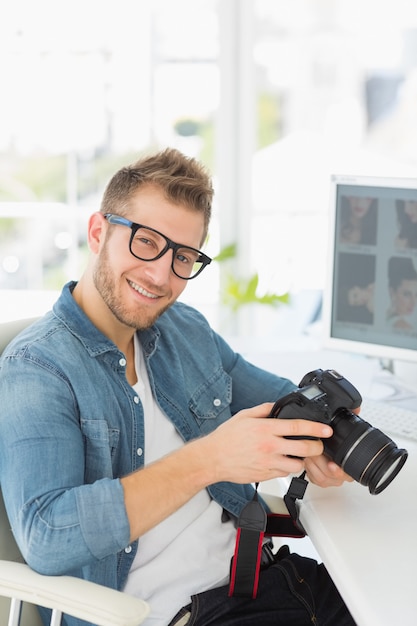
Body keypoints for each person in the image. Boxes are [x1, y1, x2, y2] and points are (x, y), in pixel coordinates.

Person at [0, 148, 356, 626]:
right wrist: (208, 460)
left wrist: (330, 442)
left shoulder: (183, 330)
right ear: (98, 232)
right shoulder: (37, 367)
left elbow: (282, 403)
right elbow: (46, 536)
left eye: (183, 256)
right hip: (177, 616)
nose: (160, 275)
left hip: (265, 583)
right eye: (146, 242)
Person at [386, 256, 417, 331]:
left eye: (416, 294)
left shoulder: (386, 316)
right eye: (407, 294)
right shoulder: (403, 326)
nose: (414, 302)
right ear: (392, 293)